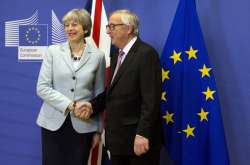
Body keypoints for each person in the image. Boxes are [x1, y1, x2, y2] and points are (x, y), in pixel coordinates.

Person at [76, 9, 163, 165]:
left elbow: (151, 100)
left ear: (128, 29)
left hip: (138, 142)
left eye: (112, 26)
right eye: (108, 27)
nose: (108, 31)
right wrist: (92, 105)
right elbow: (112, 92)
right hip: (118, 142)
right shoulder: (118, 54)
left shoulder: (146, 54)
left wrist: (143, 134)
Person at [36, 9, 106, 165]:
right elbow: (42, 87)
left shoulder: (98, 56)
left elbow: (100, 96)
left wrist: (98, 130)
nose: (69, 29)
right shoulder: (53, 51)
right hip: (53, 124)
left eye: (74, 25)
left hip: (84, 126)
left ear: (86, 28)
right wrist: (71, 105)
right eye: (66, 25)